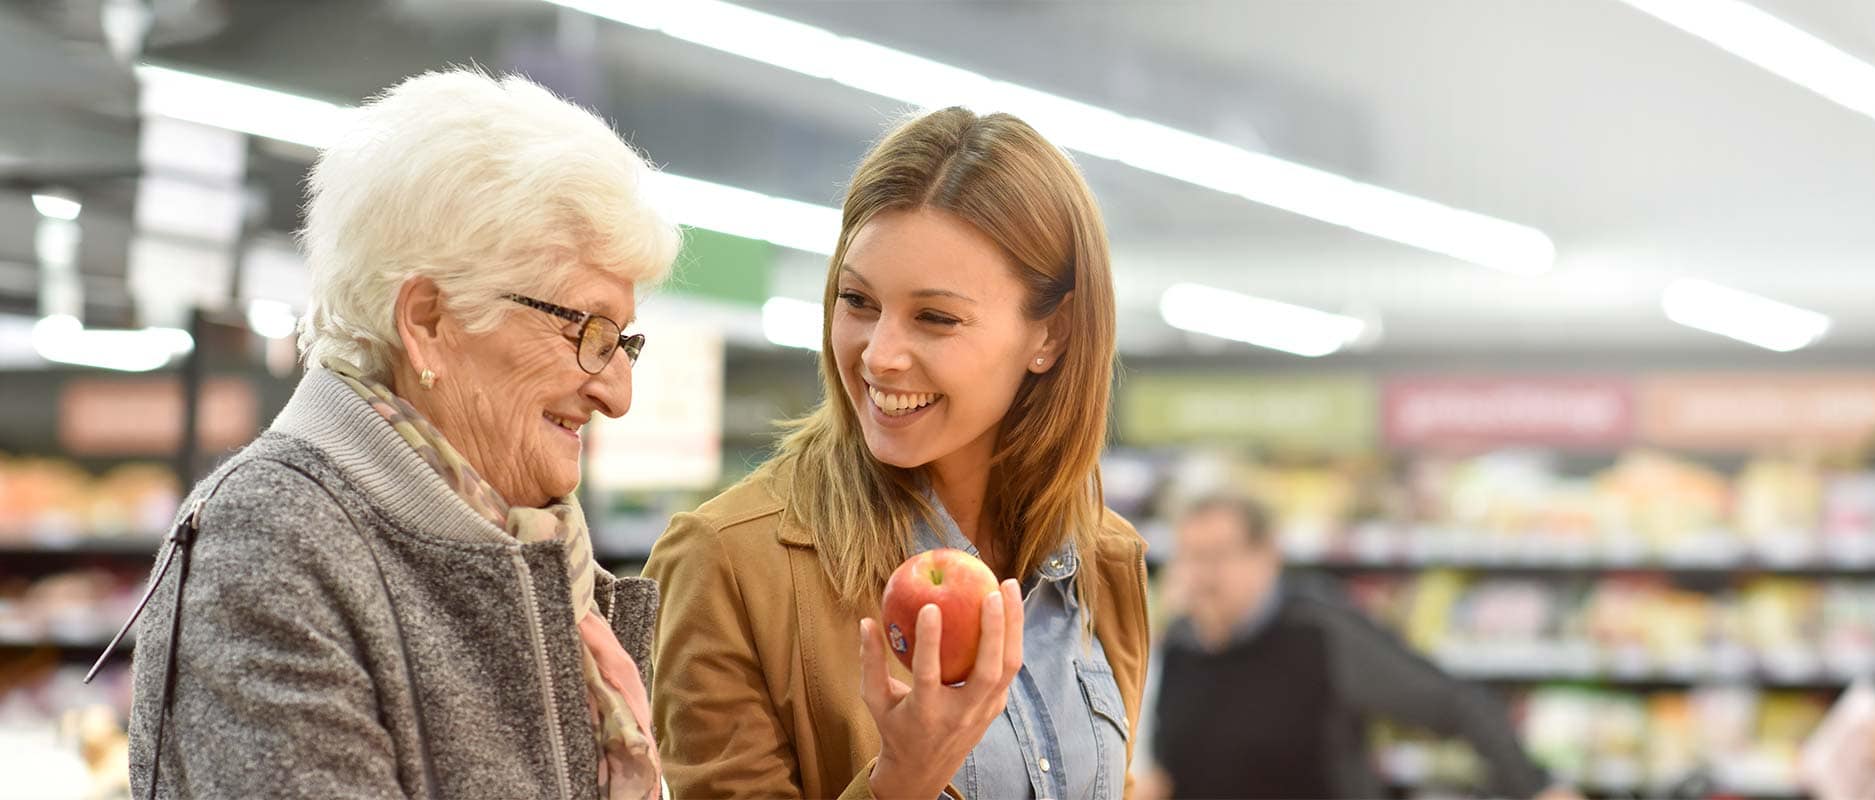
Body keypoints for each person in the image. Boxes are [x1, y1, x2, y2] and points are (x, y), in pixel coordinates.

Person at [121, 69, 680, 798]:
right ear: (427, 322)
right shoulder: (268, 545)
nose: (617, 392)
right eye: (588, 331)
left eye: (623, 342)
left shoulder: (536, 559)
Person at [643, 107, 1149, 800]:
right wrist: (903, 778)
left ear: (1052, 336)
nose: (879, 356)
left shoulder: (1103, 561)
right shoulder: (729, 564)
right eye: (856, 301)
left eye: (935, 318)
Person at [1136, 493, 1575, 800]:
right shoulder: (1178, 646)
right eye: (1190, 557)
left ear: (1266, 556)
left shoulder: (1320, 634)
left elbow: (1455, 703)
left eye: (1217, 555)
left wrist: (1536, 787)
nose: (1200, 575)